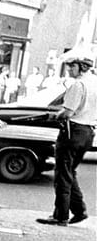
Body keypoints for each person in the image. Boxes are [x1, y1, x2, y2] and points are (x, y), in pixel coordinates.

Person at [35, 56, 95, 226]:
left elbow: (68, 112)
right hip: (88, 132)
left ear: (81, 67)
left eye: (72, 67)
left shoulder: (78, 85)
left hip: (72, 132)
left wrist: (55, 116)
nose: (69, 70)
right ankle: (79, 211)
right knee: (69, 172)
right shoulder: (95, 82)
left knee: (62, 173)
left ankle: (61, 216)